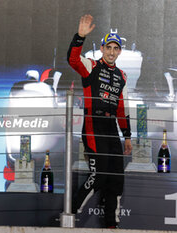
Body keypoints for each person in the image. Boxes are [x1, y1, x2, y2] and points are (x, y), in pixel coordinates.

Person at [67, 15, 132, 228]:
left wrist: (128, 136)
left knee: (116, 179)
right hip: (93, 125)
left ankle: (111, 224)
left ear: (120, 51)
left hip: (111, 128)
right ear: (102, 49)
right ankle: (70, 214)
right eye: (109, 47)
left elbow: (121, 108)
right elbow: (73, 60)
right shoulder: (91, 66)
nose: (112, 52)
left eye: (116, 48)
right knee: (99, 176)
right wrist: (80, 37)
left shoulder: (121, 76)